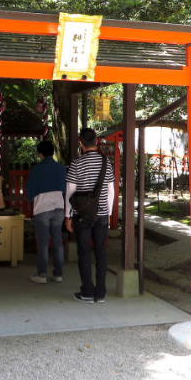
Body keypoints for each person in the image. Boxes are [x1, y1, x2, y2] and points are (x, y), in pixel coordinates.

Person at [65, 128, 115, 304]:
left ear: (81, 143)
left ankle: (87, 291)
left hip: (82, 215)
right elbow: (110, 190)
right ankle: (100, 293)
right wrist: (108, 213)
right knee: (101, 252)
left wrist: (68, 216)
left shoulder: (76, 164)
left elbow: (70, 192)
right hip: (101, 214)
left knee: (84, 252)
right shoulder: (106, 163)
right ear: (96, 142)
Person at [25, 140, 67, 284]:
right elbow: (66, 190)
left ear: (40, 154)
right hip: (59, 208)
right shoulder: (61, 169)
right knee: (58, 241)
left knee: (43, 242)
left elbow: (29, 189)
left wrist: (33, 199)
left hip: (42, 209)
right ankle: (58, 274)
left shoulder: (36, 169)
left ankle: (42, 274)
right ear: (53, 153)